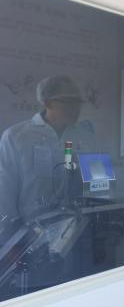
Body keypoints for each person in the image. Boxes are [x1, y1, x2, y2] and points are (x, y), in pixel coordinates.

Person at [0, 75, 88, 222]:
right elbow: (4, 190)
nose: (76, 107)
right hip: (31, 228)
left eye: (78, 102)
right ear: (48, 102)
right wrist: (11, 231)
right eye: (68, 101)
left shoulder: (83, 135)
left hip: (74, 225)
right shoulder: (17, 136)